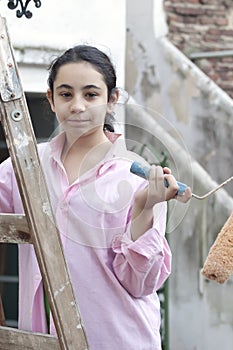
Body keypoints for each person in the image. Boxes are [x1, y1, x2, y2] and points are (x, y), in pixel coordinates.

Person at [0, 45, 191, 349]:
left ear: (112, 100)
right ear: (50, 99)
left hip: (119, 339)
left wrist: (144, 209)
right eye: (65, 94)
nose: (77, 106)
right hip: (40, 340)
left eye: (90, 95)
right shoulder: (24, 165)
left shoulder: (136, 180)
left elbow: (140, 283)